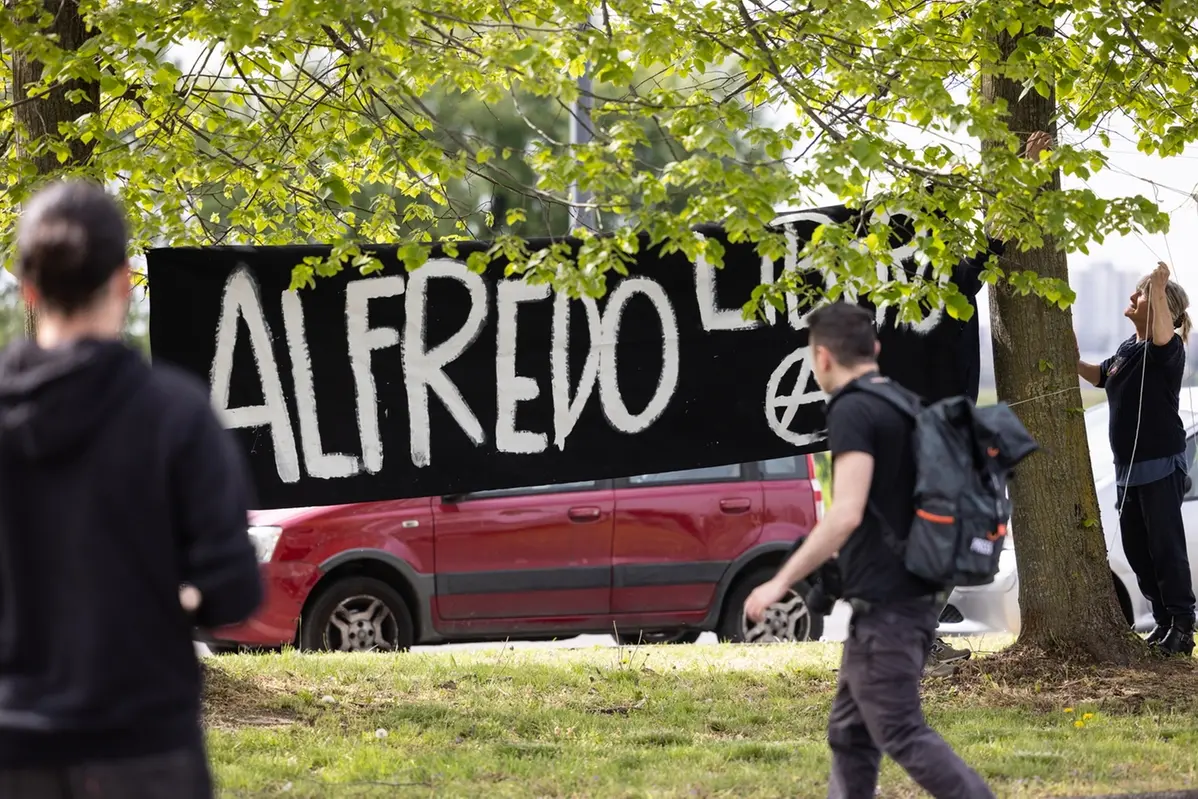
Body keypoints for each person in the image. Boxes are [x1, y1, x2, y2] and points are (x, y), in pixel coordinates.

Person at [0, 180, 263, 797]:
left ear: (31, 290)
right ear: (123, 281)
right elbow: (233, 590)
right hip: (146, 749)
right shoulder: (176, 415)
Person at [745, 302, 994, 799]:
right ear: (874, 348)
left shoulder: (854, 409)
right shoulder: (902, 400)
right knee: (850, 734)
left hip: (891, 605)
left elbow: (847, 512)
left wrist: (779, 580)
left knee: (898, 729)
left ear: (821, 358)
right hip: (905, 592)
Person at [1077, 260, 1195, 656]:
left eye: (1140, 293)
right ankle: (1163, 623)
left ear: (1162, 305)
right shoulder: (1129, 349)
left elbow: (1163, 333)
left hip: (1162, 465)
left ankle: (1183, 626)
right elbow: (1101, 375)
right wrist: (1070, 359)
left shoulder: (1169, 349)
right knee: (1138, 552)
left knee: (1166, 549)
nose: (1132, 297)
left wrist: (1159, 287)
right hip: (1127, 470)